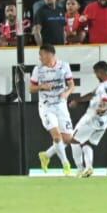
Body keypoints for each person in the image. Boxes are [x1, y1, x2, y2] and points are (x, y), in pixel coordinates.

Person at [67, 61, 107, 178]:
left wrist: (99, 111)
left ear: (100, 72)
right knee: (87, 143)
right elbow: (93, 94)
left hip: (93, 118)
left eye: (96, 73)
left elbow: (105, 101)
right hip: (104, 121)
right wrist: (77, 101)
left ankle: (80, 169)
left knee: (73, 141)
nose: (96, 76)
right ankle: (89, 167)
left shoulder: (105, 87)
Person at [32, 44, 75, 175]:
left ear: (50, 54)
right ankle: (66, 165)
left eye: (41, 55)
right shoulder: (38, 70)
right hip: (46, 106)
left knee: (67, 139)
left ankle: (46, 155)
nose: (40, 58)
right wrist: (42, 86)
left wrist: (66, 94)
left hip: (61, 105)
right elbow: (31, 88)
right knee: (57, 136)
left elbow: (72, 85)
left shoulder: (64, 66)